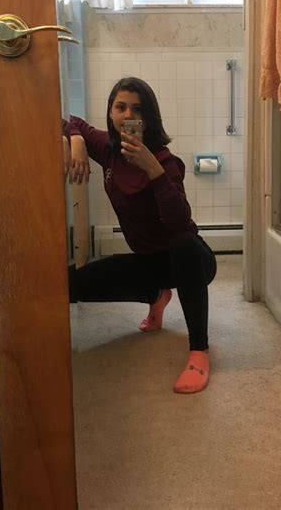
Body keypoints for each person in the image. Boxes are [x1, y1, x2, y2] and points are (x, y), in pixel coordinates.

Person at [69, 77, 217, 394]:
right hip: (150, 263)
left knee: (182, 242)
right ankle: (158, 295)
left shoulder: (164, 160)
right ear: (110, 112)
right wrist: (76, 139)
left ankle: (199, 351)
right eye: (120, 107)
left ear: (148, 118)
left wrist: (153, 169)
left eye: (136, 109)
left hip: (193, 262)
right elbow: (68, 120)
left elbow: (179, 222)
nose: (127, 115)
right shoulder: (108, 150)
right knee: (71, 284)